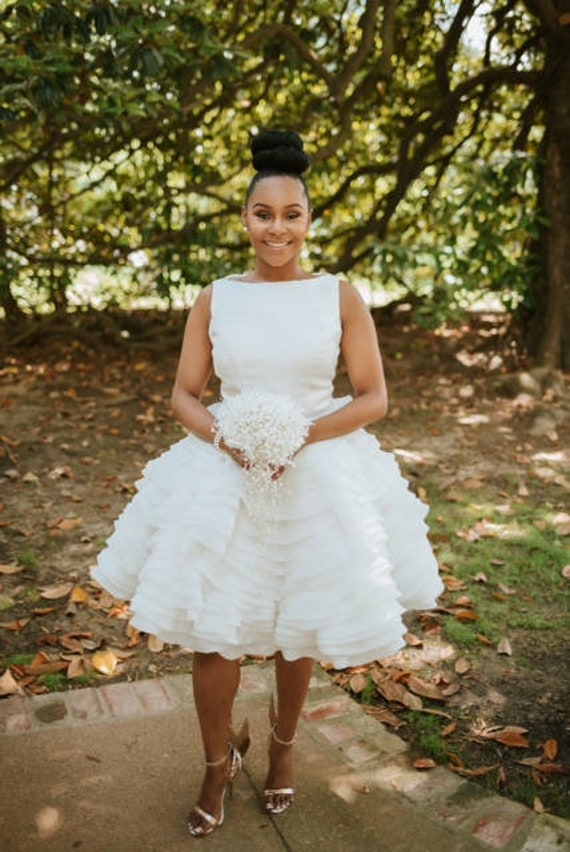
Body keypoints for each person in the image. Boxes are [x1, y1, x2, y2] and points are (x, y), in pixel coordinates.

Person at [92, 129, 442, 838]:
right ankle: (218, 763)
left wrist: (295, 438)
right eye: (263, 214)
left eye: (290, 215)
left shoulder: (339, 296)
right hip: (225, 472)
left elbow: (373, 397)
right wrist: (233, 439)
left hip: (316, 472)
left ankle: (282, 753)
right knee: (214, 634)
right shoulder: (215, 297)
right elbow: (185, 396)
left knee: (297, 623)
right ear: (244, 219)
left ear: (309, 221)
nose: (276, 229)